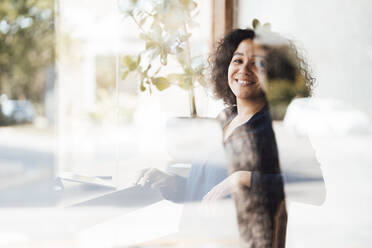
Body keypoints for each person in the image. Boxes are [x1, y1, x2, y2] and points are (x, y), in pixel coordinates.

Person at [133, 27, 326, 248]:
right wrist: (170, 183)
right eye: (238, 60)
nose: (244, 69)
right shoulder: (223, 119)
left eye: (258, 63)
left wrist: (244, 178)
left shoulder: (282, 126)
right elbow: (207, 193)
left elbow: (315, 190)